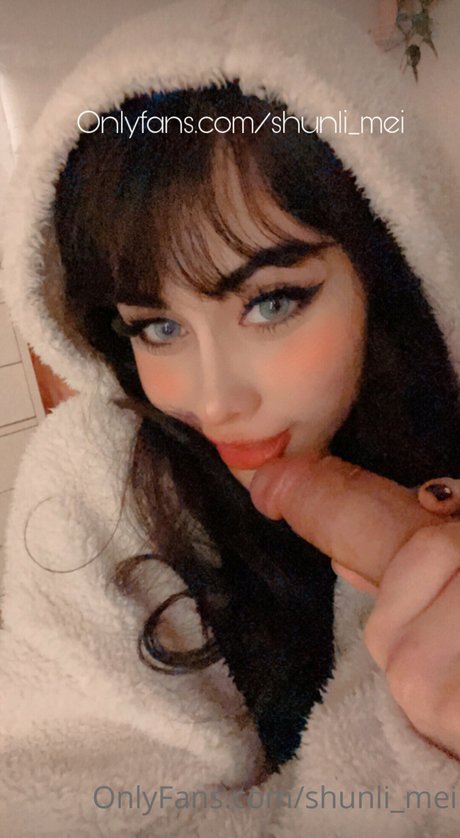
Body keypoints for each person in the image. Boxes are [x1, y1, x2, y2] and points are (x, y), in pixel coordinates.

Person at [1, 1, 460, 835]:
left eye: (272, 302)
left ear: (388, 265)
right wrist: (414, 742)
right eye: (156, 327)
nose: (212, 400)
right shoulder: (97, 496)